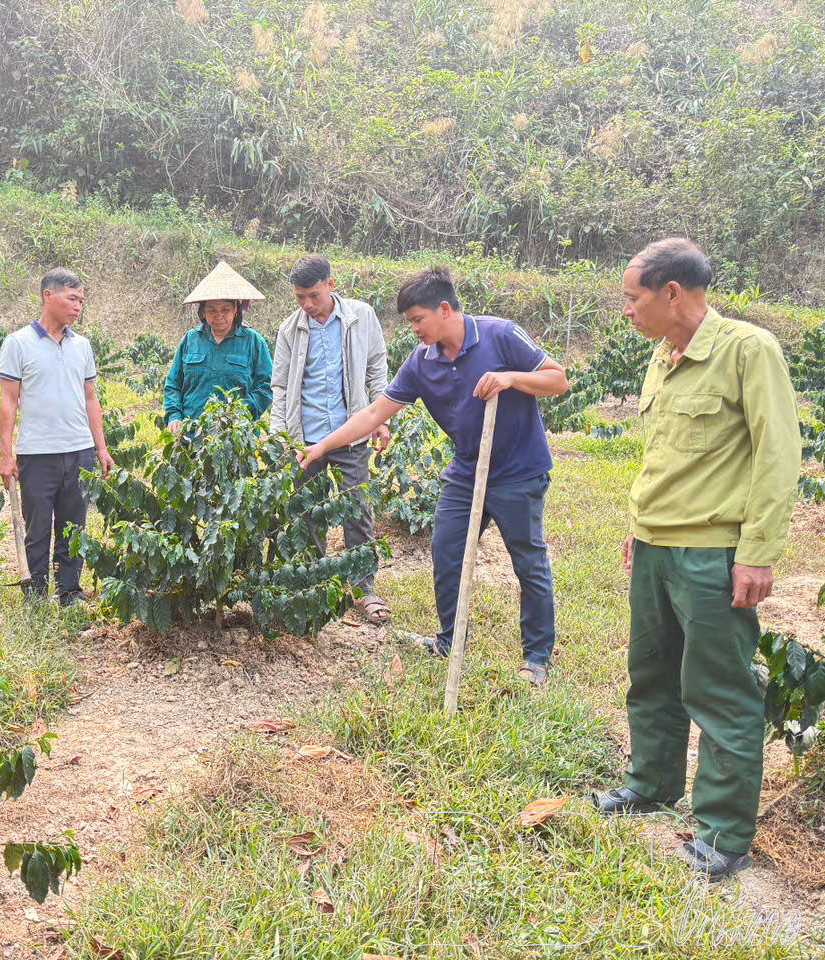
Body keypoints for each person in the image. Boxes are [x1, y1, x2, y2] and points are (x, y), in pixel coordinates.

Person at [590, 238, 800, 878]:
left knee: (719, 691)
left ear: (672, 293)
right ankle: (651, 783)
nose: (626, 310)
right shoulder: (662, 357)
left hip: (713, 554)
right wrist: (639, 526)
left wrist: (757, 554)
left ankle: (723, 833)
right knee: (651, 674)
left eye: (633, 298)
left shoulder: (747, 350)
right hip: (655, 546)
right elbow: (664, 454)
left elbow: (778, 457)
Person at [297, 266, 569, 683]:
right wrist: (322, 446)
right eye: (410, 322)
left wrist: (510, 378)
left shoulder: (500, 334)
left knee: (527, 561)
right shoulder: (421, 361)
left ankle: (536, 658)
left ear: (444, 309)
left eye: (418, 320)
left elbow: (557, 379)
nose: (414, 330)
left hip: (518, 472)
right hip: (465, 471)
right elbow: (374, 413)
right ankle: (448, 640)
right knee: (445, 552)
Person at [270, 254, 392, 624]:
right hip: (305, 437)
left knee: (357, 508)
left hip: (351, 434)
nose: (307, 304)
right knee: (306, 512)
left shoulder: (361, 316)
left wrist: (380, 418)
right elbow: (280, 387)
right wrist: (279, 437)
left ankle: (364, 588)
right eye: (299, 297)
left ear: (330, 285)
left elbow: (377, 366)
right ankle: (314, 583)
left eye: (313, 295)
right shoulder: (289, 330)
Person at [0, 268, 115, 605]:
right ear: (48, 296)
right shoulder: (18, 343)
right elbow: (8, 403)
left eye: (82, 301)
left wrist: (101, 448)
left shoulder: (83, 346)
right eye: (72, 298)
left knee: (73, 526)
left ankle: (70, 591)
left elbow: (91, 399)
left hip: (79, 451)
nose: (78, 306)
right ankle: (36, 593)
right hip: (37, 454)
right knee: (37, 529)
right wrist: (6, 454)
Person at [164, 260, 273, 434]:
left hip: (237, 435)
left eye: (225, 309)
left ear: (236, 309)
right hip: (191, 434)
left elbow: (266, 387)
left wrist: (239, 413)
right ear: (203, 312)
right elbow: (173, 384)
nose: (219, 316)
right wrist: (174, 416)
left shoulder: (253, 341)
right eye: (212, 310)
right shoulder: (190, 340)